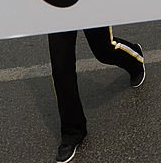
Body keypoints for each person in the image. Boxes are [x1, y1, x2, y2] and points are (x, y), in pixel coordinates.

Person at [49, 27, 145, 162]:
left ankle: (134, 61)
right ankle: (72, 132)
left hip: (88, 6)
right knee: (61, 67)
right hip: (59, 10)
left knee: (103, 50)